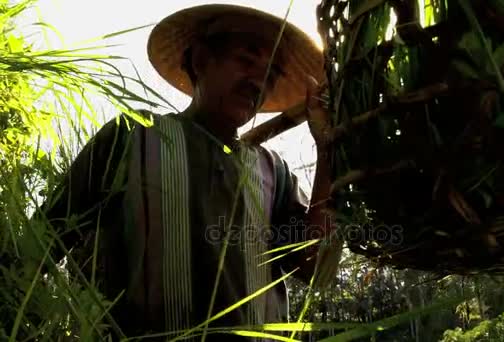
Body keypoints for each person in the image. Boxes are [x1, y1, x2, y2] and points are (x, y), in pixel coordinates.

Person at [41, 4, 337, 340]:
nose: (257, 81)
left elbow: (316, 269)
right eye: (246, 61)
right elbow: (45, 240)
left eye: (270, 75)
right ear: (200, 60)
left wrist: (327, 150)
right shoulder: (133, 136)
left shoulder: (274, 172)